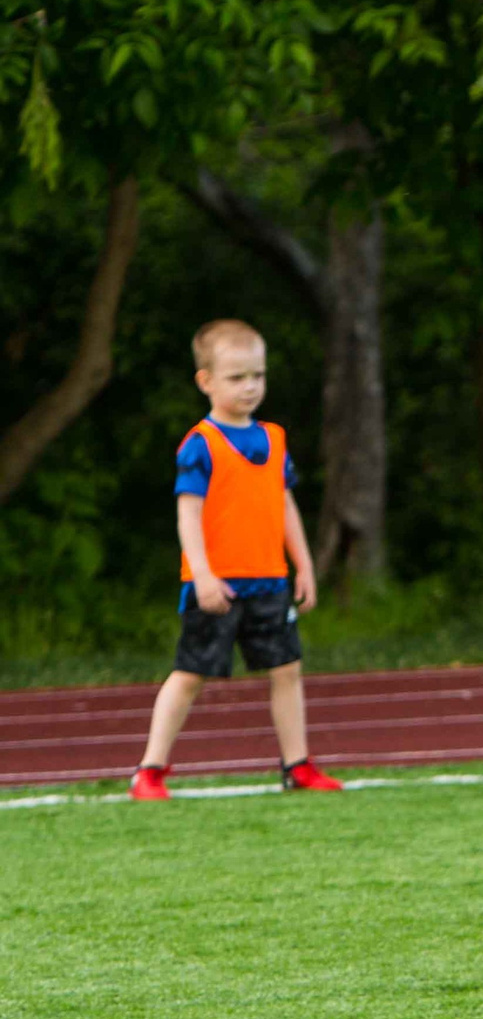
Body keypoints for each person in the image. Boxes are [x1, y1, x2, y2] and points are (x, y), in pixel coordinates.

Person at [131, 320, 341, 800]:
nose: (250, 387)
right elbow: (188, 516)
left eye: (257, 376)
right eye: (236, 378)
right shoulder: (199, 444)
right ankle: (150, 770)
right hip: (217, 585)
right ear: (206, 382)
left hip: (269, 581)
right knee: (190, 675)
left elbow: (284, 505)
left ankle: (298, 766)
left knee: (287, 670)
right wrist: (202, 574)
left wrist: (303, 564)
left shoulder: (275, 438)